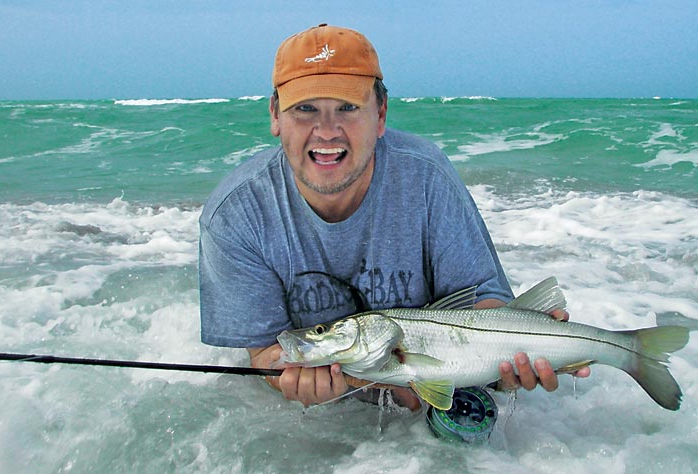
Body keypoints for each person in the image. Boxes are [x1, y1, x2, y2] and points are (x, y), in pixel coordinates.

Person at [199, 24, 588, 409]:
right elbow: (266, 352)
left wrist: (522, 348)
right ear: (275, 116)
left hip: (433, 400)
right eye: (305, 109)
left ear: (381, 114)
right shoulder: (234, 215)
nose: (327, 131)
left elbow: (483, 302)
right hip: (332, 420)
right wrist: (288, 379)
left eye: (348, 108)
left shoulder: (426, 176)